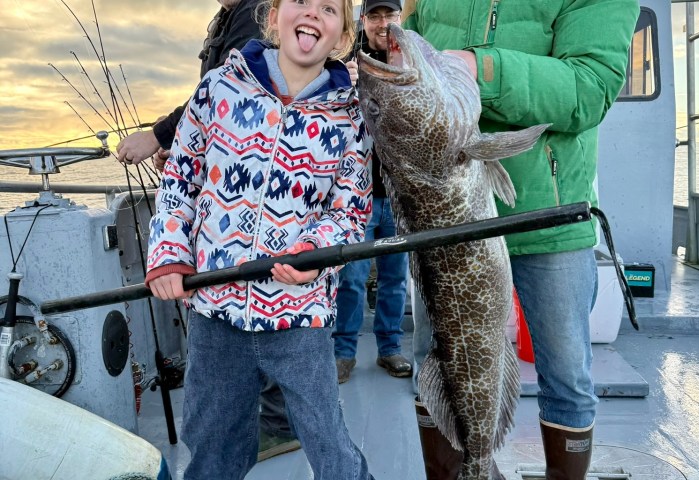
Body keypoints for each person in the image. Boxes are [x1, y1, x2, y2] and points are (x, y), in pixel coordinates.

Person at [403, 1, 639, 479]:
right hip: (448, 221)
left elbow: (588, 88)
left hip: (548, 216)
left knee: (567, 376)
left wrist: (480, 69)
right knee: (441, 361)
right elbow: (413, 45)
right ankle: (468, 469)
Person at [144, 0, 375, 477]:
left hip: (300, 316)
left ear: (342, 36)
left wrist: (316, 253)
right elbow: (179, 183)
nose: (312, 13)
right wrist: (169, 254)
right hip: (215, 311)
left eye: (329, 8)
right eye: (301, 2)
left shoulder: (351, 116)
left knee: (329, 443)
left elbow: (349, 212)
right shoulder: (217, 89)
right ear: (273, 17)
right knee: (210, 446)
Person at [116, 0, 301, 461]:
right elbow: (211, 102)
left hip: (251, 194)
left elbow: (234, 87)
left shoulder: (257, 12)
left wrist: (158, 136)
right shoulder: (226, 16)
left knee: (261, 296)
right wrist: (184, 144)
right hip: (228, 188)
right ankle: (256, 421)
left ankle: (278, 424)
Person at [332, 0, 411, 384]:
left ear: (399, 19)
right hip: (357, 196)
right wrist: (342, 88)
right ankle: (343, 351)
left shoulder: (411, 60)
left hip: (400, 196)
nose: (383, 24)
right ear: (363, 21)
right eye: (375, 16)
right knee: (351, 278)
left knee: (395, 278)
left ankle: (390, 349)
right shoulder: (342, 63)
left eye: (390, 16)